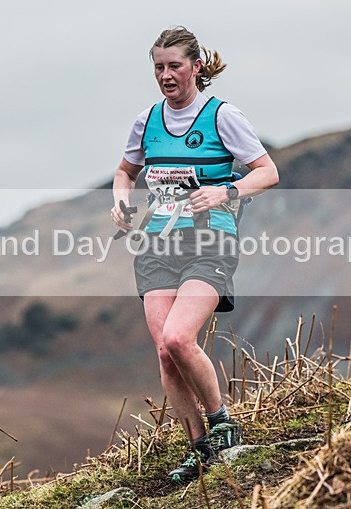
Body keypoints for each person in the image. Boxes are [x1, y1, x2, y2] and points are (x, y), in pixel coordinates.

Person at [111, 26, 279, 484]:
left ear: (196, 68)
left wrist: (227, 190)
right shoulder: (146, 120)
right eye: (159, 67)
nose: (166, 75)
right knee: (166, 353)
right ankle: (199, 449)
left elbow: (268, 172)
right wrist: (122, 201)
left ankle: (224, 425)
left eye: (175, 66)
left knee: (180, 338)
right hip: (157, 244)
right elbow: (126, 172)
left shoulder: (223, 116)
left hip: (210, 242)